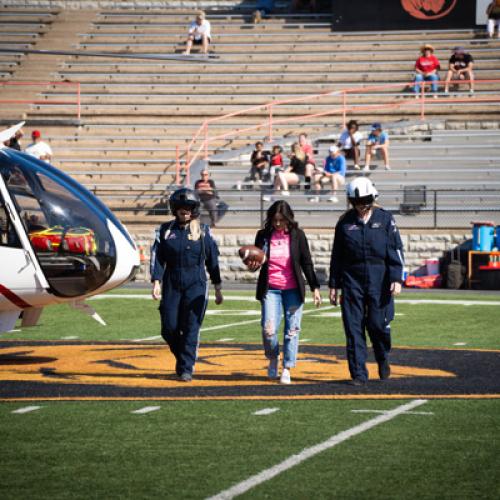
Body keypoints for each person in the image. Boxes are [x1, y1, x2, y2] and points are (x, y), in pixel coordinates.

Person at [328, 177, 404, 386]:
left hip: (380, 280)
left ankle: (382, 355)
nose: (362, 206)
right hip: (352, 280)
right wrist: (334, 284)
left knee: (377, 325)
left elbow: (395, 250)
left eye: (365, 201)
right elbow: (337, 256)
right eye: (357, 202)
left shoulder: (386, 220)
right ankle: (359, 374)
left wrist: (397, 278)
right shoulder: (344, 223)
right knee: (353, 328)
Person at [151, 188, 223, 382]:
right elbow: (157, 257)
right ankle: (183, 356)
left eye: (189, 207)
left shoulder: (203, 231)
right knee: (169, 327)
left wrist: (217, 286)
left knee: (191, 327)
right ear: (174, 209)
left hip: (196, 283)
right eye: (181, 207)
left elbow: (213, 259)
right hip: (171, 282)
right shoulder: (165, 231)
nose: (185, 211)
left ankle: (186, 368)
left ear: (195, 209)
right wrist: (156, 281)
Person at [249, 200, 321, 384]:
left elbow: (306, 262)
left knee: (292, 330)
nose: (278, 223)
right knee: (268, 330)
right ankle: (273, 357)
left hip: (293, 289)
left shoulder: (297, 235)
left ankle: (287, 367)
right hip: (271, 289)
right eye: (275, 220)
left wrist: (315, 287)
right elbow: (256, 264)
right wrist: (252, 265)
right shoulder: (263, 235)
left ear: (289, 218)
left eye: (281, 220)